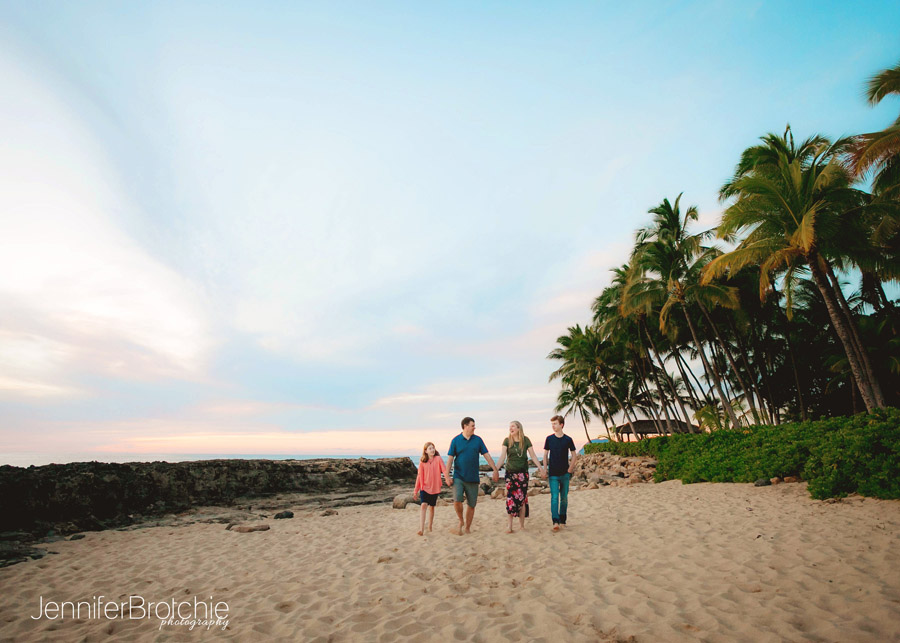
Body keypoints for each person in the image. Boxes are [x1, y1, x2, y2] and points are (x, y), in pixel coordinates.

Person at [446, 417, 499, 535]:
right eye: (472, 425)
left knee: (471, 505)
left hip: (473, 478)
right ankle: (461, 521)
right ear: (465, 426)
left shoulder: (478, 440)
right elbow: (450, 459)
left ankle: (467, 528)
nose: (474, 427)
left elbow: (487, 456)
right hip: (459, 476)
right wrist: (447, 476)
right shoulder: (455, 440)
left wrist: (495, 469)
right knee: (457, 500)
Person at [496, 420, 545, 533]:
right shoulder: (507, 441)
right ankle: (510, 526)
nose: (510, 428)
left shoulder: (526, 440)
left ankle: (522, 526)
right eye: (510, 427)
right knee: (510, 498)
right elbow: (503, 456)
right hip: (510, 473)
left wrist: (541, 468)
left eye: (513, 426)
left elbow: (532, 455)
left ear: (519, 428)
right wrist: (495, 470)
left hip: (523, 474)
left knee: (522, 499)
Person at [543, 415, 577, 532]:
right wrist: (545, 469)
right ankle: (555, 521)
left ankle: (563, 520)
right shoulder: (549, 439)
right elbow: (545, 455)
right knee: (554, 498)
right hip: (553, 474)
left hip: (565, 474)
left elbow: (574, 455)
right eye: (552, 424)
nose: (553, 426)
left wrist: (570, 469)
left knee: (564, 498)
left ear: (561, 425)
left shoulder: (568, 439)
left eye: (555, 424)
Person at [413, 442, 451, 536]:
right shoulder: (422, 462)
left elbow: (444, 469)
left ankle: (430, 526)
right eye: (430, 448)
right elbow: (419, 476)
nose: (432, 450)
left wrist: (447, 478)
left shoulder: (438, 459)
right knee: (423, 505)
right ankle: (421, 529)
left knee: (432, 507)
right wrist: (415, 490)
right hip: (424, 487)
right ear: (425, 451)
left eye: (433, 448)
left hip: (435, 488)